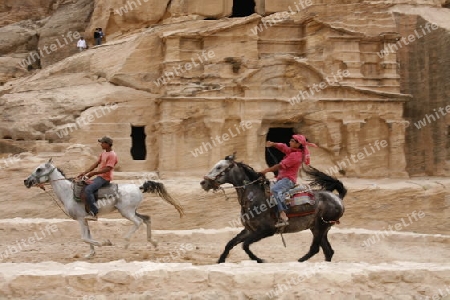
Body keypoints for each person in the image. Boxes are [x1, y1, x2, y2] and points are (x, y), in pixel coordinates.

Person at [260, 134, 317, 227]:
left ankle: (283, 215)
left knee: (274, 190)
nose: (290, 142)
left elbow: (280, 166)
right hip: (282, 179)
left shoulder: (296, 156)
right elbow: (283, 147)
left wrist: (265, 171)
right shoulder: (292, 151)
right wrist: (273, 144)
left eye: (292, 141)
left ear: (298, 144)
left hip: (288, 180)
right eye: (290, 140)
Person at [78, 136, 118, 221]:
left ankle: (94, 212)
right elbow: (96, 164)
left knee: (88, 190)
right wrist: (85, 172)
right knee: (83, 184)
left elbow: (108, 168)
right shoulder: (104, 153)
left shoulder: (112, 155)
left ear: (107, 144)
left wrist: (93, 173)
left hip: (105, 178)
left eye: (102, 143)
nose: (101, 144)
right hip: (100, 177)